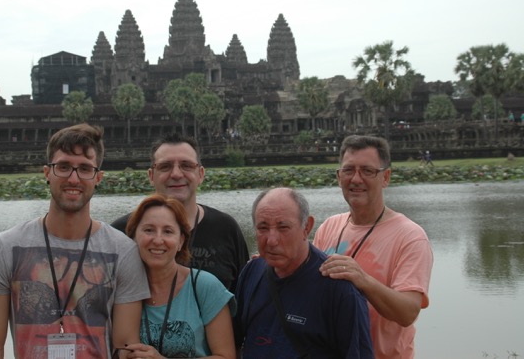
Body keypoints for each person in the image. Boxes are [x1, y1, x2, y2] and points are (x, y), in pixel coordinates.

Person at [0, 123, 150, 358]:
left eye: (85, 169)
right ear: (47, 173)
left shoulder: (124, 252)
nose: (73, 179)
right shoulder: (4, 248)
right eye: (63, 167)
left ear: (98, 177)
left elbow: (125, 348)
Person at [313, 135, 433, 359]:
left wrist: (363, 279)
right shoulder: (328, 227)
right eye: (349, 170)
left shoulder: (410, 236)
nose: (356, 179)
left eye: (367, 171)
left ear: (385, 177)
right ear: (339, 177)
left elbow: (408, 312)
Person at [234, 187, 373, 358]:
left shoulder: (339, 288)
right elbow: (234, 341)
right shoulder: (251, 272)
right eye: (262, 228)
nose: (271, 240)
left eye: (283, 227)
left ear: (307, 227)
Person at [111, 132, 249, 293]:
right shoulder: (122, 232)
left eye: (187, 165)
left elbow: (245, 296)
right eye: (165, 166)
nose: (176, 174)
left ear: (201, 174)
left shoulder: (226, 228)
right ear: (151, 176)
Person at [123, 193, 236, 358]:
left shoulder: (205, 286)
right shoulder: (121, 288)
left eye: (168, 231)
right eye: (149, 230)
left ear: (181, 241)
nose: (158, 239)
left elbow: (226, 356)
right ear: (133, 237)